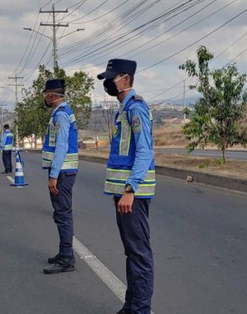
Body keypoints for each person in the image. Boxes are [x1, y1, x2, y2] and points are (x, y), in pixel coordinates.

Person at [97, 59, 156, 314]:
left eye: (113, 77)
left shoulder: (136, 109)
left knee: (139, 255)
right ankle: (131, 306)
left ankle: (140, 310)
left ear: (126, 79)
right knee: (131, 253)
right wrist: (118, 192)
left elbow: (145, 151)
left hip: (134, 194)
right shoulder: (123, 109)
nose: (108, 83)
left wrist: (130, 190)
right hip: (124, 194)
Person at [41, 78, 79, 274]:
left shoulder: (61, 116)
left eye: (45, 93)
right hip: (64, 171)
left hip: (63, 172)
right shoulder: (61, 113)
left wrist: (53, 175)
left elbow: (62, 146)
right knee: (61, 213)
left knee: (63, 214)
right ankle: (64, 253)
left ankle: (66, 258)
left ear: (51, 94)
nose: (44, 97)